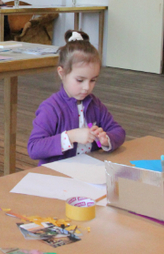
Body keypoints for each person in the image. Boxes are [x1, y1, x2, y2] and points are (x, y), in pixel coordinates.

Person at [27, 30, 125, 165]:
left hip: (89, 170)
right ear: (62, 73)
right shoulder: (51, 108)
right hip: (57, 173)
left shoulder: (95, 104)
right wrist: (70, 136)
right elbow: (34, 148)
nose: (87, 87)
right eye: (80, 80)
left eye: (93, 80)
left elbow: (119, 131)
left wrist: (106, 139)